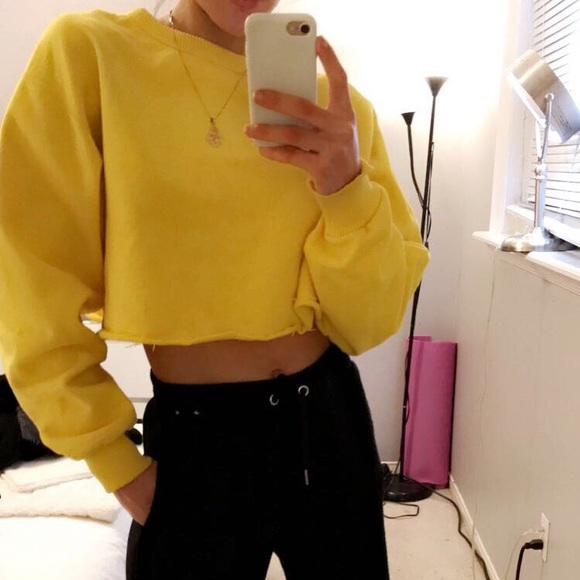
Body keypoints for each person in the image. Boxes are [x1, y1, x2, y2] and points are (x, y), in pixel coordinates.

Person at [0, 0, 429, 578]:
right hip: (195, 438)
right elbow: (31, 277)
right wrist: (116, 463)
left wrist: (345, 188)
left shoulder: (334, 109)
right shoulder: (93, 55)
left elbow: (366, 322)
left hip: (328, 421)